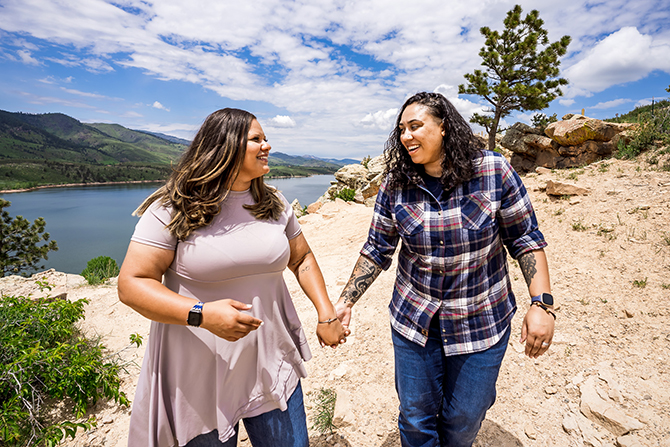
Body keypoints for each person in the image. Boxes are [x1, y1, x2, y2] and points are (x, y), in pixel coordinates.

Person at [334, 92, 555, 447]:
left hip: (481, 319)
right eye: (401, 129)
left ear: (445, 127)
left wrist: (541, 304)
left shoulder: (493, 171)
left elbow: (526, 238)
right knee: (416, 417)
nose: (406, 136)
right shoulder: (395, 183)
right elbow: (377, 248)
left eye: (416, 126)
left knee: (464, 417)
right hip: (414, 321)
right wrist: (346, 301)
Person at [118, 108, 348, 447]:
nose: (267, 145)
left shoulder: (273, 203)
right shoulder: (173, 206)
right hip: (198, 373)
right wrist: (202, 314)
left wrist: (325, 313)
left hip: (271, 365)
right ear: (224, 146)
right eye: (256, 139)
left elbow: (302, 259)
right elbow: (132, 283)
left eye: (265, 138)